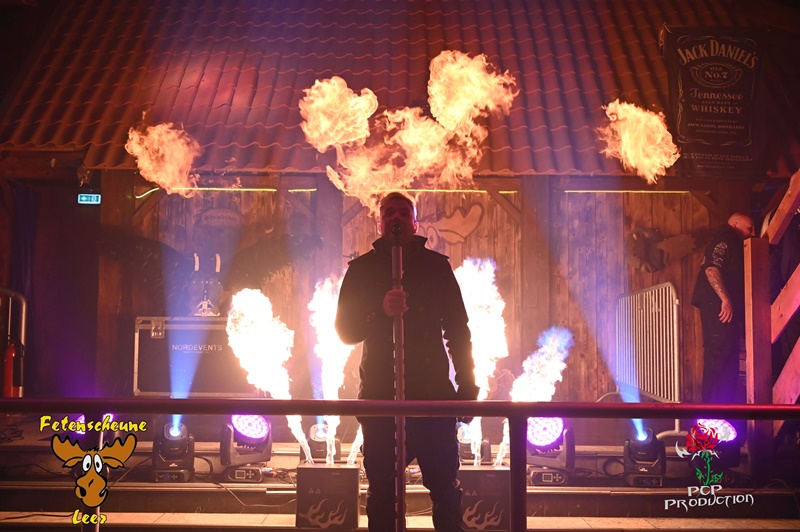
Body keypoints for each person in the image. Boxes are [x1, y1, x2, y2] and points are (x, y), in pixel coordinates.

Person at [335, 192, 479, 532]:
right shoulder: (361, 270)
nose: (396, 218)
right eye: (389, 213)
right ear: (380, 223)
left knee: (445, 489)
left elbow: (458, 330)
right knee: (382, 493)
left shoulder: (436, 267)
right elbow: (345, 331)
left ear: (415, 223)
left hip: (432, 397)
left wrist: (467, 387)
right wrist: (380, 312)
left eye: (403, 213)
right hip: (381, 396)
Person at [691, 213, 755, 409]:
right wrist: (725, 299)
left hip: (720, 307)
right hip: (717, 306)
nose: (752, 233)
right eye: (749, 228)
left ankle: (722, 411)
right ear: (735, 224)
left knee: (727, 357)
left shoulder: (728, 241)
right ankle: (712, 413)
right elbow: (711, 269)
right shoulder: (725, 239)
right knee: (720, 356)